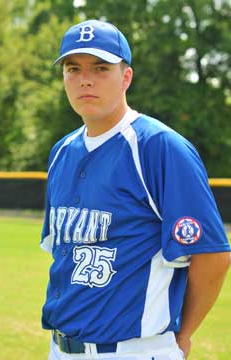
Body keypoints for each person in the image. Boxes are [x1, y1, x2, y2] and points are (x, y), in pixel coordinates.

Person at [40, 19, 230, 360]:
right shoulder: (61, 153)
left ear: (125, 77)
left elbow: (212, 256)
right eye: (73, 68)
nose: (85, 78)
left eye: (100, 68)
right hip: (60, 348)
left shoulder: (159, 147)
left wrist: (182, 335)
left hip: (134, 351)